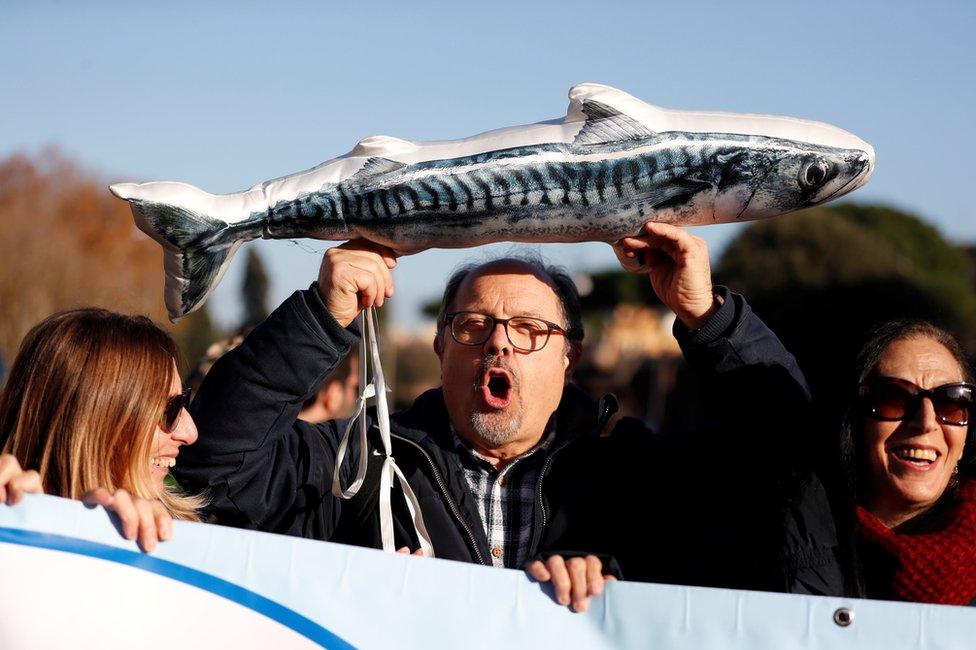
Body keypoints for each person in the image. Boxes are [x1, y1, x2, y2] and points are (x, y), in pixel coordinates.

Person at [178, 222, 842, 611]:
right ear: (440, 350)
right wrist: (320, 316)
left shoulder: (638, 473)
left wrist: (709, 315)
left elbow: (789, 461)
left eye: (528, 329)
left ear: (570, 356)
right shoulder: (362, 467)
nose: (498, 343)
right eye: (473, 326)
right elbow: (214, 468)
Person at [0, 308, 204, 551]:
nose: (190, 433)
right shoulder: (10, 524)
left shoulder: (188, 547)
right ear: (91, 424)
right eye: (168, 410)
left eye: (184, 402)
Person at [840, 320, 976, 604]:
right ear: (856, 423)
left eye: (951, 403)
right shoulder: (792, 542)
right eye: (894, 398)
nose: (925, 423)